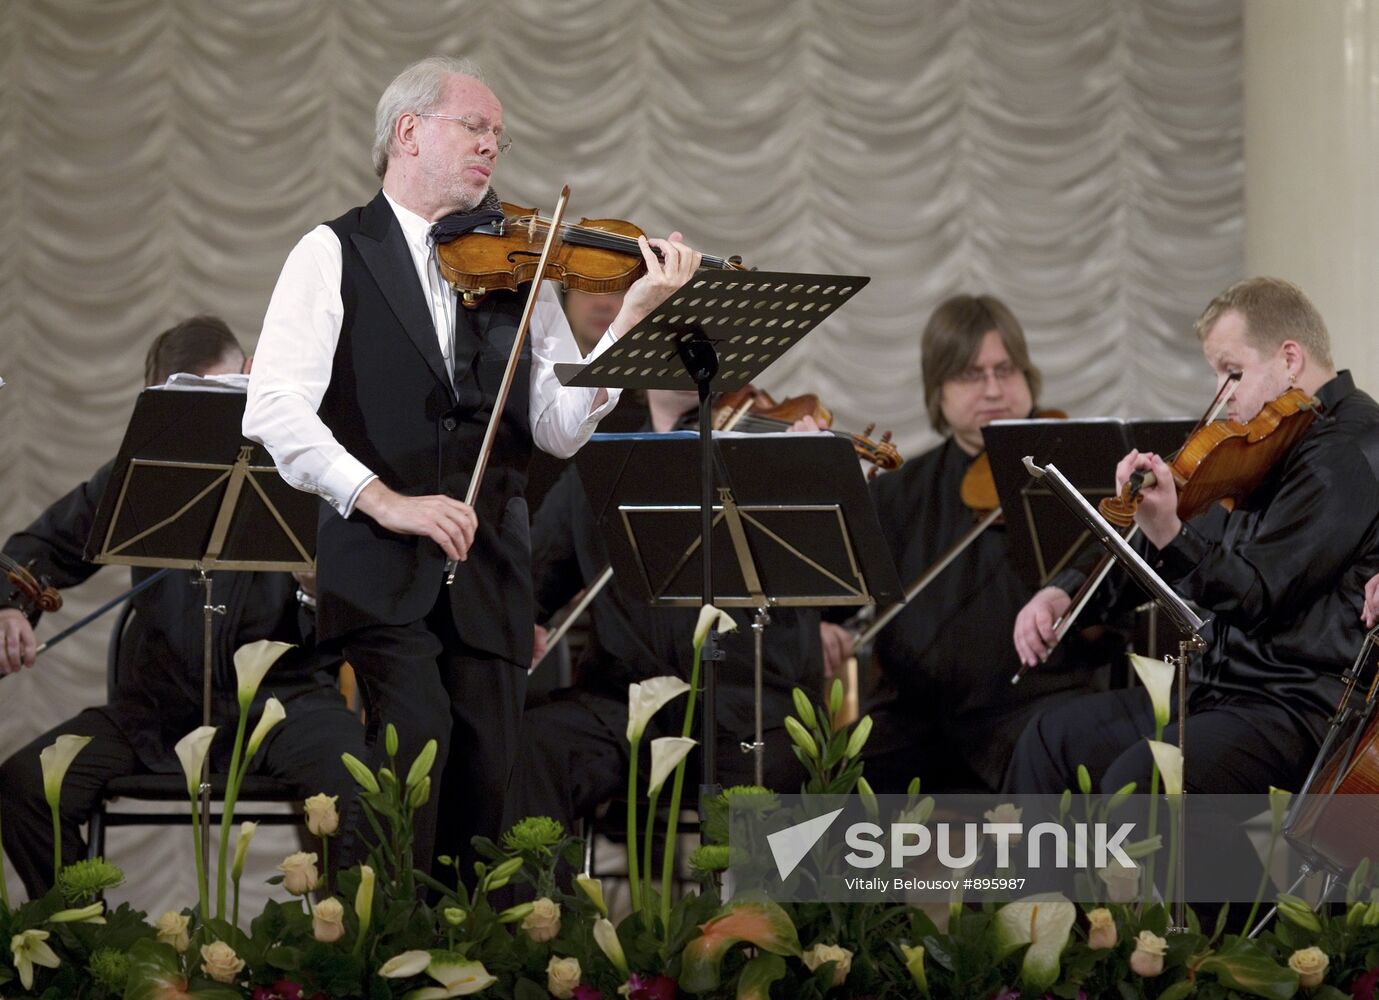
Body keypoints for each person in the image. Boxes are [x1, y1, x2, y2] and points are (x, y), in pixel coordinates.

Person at [242, 56, 701, 879]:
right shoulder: (333, 251)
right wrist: (383, 499)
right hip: (382, 571)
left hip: (489, 570)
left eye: (500, 135)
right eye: (476, 128)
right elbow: (273, 407)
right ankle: (388, 957)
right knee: (413, 763)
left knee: (489, 789)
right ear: (408, 131)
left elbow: (560, 429)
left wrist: (628, 321)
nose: (493, 147)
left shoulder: (518, 265)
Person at [0, 316, 365, 898]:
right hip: (158, 715)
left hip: (284, 706)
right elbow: (37, 552)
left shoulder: (306, 466)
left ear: (249, 378)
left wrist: (321, 587)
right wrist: (10, 605)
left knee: (356, 784)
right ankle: (87, 961)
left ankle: (343, 965)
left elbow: (366, 602)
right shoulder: (144, 476)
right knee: (25, 784)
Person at [1007, 277, 1379, 796]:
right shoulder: (1258, 441)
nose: (1222, 397)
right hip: (1213, 689)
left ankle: (1252, 886)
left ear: (1289, 359)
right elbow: (1152, 547)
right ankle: (1032, 881)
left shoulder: (1348, 449)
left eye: (1232, 373)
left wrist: (1173, 532)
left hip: (1290, 705)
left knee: (1143, 784)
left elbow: (1258, 594)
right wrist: (1067, 590)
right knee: (1049, 739)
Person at [503, 388, 824, 834]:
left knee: (784, 768)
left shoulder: (769, 452)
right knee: (531, 747)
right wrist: (519, 625)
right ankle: (547, 905)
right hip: (626, 705)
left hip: (749, 707)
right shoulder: (599, 467)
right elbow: (529, 583)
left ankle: (754, 908)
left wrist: (813, 477)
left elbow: (841, 586)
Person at [818, 295, 1096, 793]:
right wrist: (822, 630)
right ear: (938, 389)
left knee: (1058, 756)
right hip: (917, 716)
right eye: (970, 374)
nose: (993, 389)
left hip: (1034, 708)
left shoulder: (1071, 476)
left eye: (1005, 370)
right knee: (831, 776)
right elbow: (831, 603)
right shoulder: (897, 489)